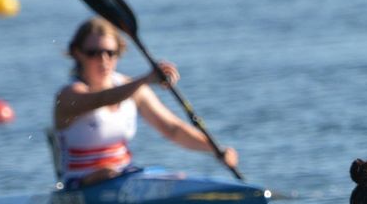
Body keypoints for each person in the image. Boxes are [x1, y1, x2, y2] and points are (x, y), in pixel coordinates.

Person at [52, 17, 238, 188]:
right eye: (94, 53)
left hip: (125, 178)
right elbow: (102, 99)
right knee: (108, 174)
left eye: (110, 52)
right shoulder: (69, 95)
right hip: (80, 185)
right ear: (77, 53)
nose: (104, 60)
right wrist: (145, 80)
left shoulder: (132, 89)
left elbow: (172, 129)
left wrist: (216, 150)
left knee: (173, 180)